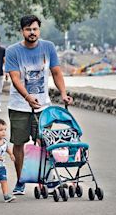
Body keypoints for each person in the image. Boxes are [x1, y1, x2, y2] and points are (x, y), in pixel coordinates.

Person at [5, 15, 73, 195]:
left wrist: (64, 94)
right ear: (22, 31)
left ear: (39, 30)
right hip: (19, 106)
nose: (32, 32)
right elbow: (15, 77)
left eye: (35, 29)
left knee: (44, 142)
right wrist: (27, 96)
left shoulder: (48, 47)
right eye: (28, 29)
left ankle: (48, 178)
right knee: (19, 144)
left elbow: (57, 73)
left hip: (43, 106)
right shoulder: (12, 51)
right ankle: (20, 181)